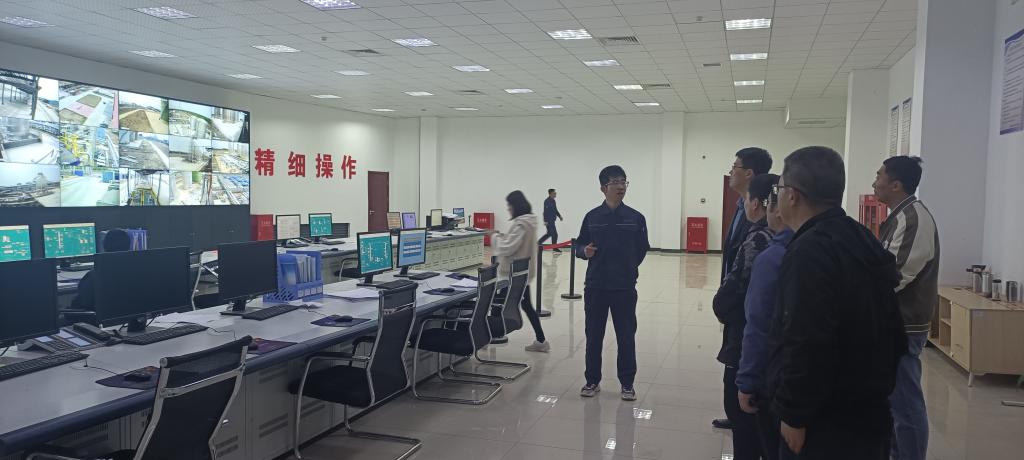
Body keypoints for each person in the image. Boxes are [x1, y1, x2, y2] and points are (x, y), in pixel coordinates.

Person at [767, 147, 907, 460]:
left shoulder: (809, 252)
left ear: (792, 195)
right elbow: (893, 329)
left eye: (779, 189)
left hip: (825, 421)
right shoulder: (859, 236)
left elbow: (807, 337)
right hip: (867, 410)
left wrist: (793, 411)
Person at [873, 156, 939, 460]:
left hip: (904, 325)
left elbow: (894, 276)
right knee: (894, 400)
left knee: (906, 403)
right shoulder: (899, 216)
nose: (874, 182)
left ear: (896, 185)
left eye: (879, 176)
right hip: (892, 322)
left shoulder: (913, 219)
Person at [714, 174, 776, 460]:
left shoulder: (759, 239)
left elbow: (735, 289)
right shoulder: (789, 237)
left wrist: (722, 308)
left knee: (742, 412)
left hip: (746, 335)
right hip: (772, 344)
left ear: (758, 203)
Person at [575, 165, 649, 401]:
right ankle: (592, 380)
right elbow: (579, 245)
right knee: (593, 335)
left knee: (626, 335)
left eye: (623, 181)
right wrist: (583, 251)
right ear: (603, 188)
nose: (620, 186)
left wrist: (628, 267)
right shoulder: (592, 217)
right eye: (615, 182)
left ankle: (627, 383)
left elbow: (642, 248)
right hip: (596, 285)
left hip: (624, 287)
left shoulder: (636, 218)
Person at [736, 175, 792, 460]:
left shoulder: (771, 256)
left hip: (778, 377)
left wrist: (747, 380)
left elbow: (757, 323)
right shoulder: (842, 242)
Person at [489, 190, 551, 353]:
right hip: (521, 273)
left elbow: (508, 248)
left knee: (495, 302)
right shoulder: (529, 222)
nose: (508, 209)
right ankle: (541, 340)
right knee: (526, 305)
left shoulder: (521, 224)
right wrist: (502, 236)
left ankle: (490, 335)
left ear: (516, 206)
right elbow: (515, 242)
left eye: (509, 205)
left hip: (512, 274)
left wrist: (494, 237)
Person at [70, 228, 132, 310]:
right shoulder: (136, 272)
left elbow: (84, 300)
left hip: (95, 316)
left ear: (104, 247)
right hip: (126, 315)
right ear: (129, 247)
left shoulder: (95, 275)